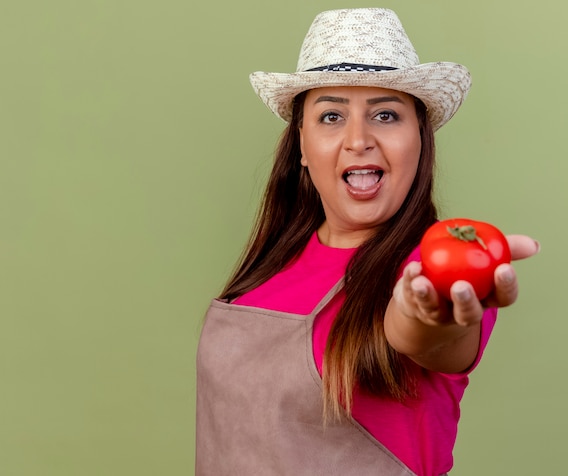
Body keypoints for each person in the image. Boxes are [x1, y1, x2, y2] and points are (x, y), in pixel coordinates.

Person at [195, 8, 539, 476]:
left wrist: (427, 316)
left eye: (385, 114)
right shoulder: (269, 266)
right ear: (301, 142)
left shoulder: (436, 269)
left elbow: (430, 336)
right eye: (332, 115)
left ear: (419, 138)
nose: (358, 140)